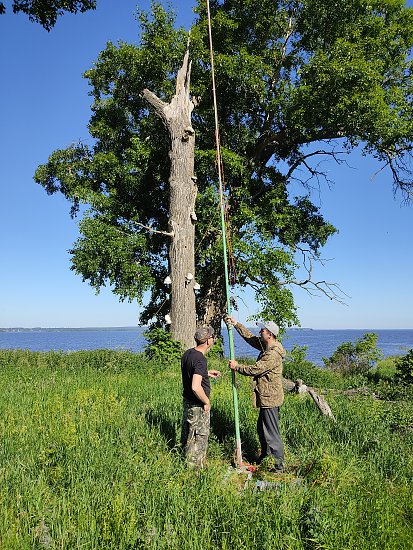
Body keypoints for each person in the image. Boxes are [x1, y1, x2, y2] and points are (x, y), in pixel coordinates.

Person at [226, 316, 286, 472]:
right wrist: (236, 324)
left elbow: (255, 369)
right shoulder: (267, 345)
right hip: (266, 397)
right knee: (262, 428)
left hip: (270, 399)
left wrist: (237, 367)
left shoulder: (272, 353)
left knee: (271, 433)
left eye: (263, 330)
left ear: (270, 334)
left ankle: (278, 466)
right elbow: (250, 339)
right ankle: (266, 457)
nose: (260, 332)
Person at [180, 325, 220, 468]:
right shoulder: (200, 359)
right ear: (209, 340)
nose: (214, 339)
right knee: (199, 436)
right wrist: (206, 401)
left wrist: (206, 373)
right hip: (197, 406)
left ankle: (185, 462)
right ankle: (194, 470)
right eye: (213, 337)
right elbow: (195, 386)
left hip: (188, 403)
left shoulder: (188, 353)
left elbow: (191, 373)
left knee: (188, 434)